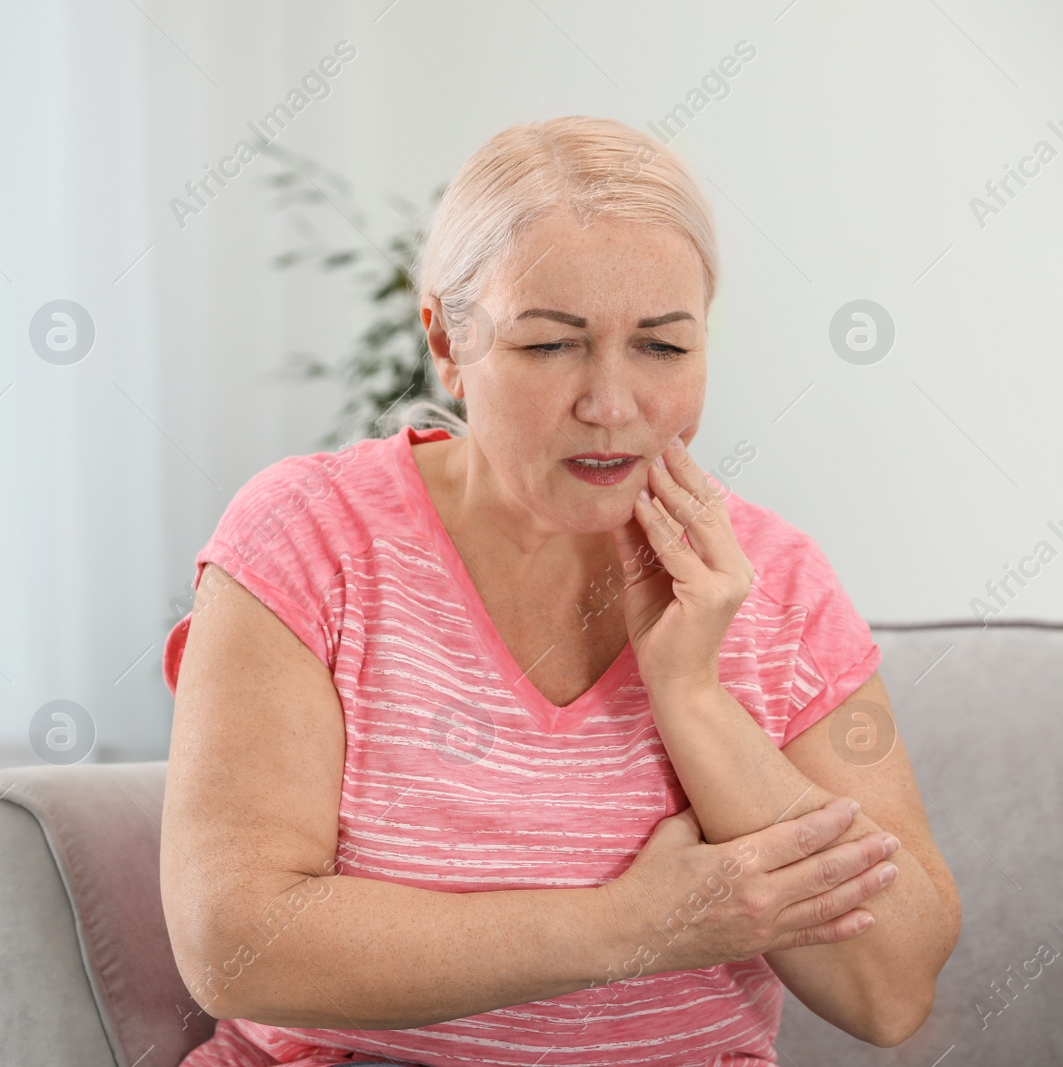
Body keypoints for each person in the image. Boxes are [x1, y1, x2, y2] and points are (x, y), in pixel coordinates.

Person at [158, 116, 960, 1067]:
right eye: (551, 347)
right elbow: (234, 942)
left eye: (662, 347)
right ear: (448, 345)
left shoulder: (776, 584)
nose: (612, 404)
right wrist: (625, 928)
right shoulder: (310, 536)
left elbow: (891, 988)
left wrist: (697, 700)